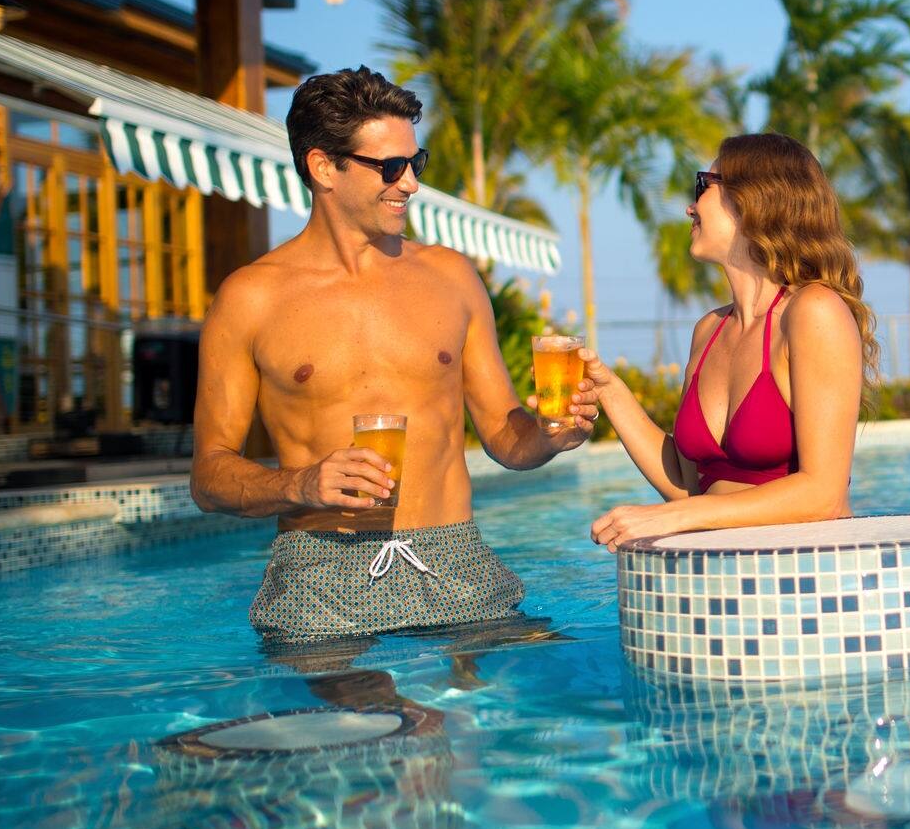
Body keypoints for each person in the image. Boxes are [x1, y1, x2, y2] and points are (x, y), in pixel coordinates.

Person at [190, 67, 601, 642]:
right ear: (323, 167)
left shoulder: (451, 276)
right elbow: (209, 476)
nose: (410, 183)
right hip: (319, 574)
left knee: (555, 696)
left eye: (415, 163)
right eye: (389, 167)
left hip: (455, 559)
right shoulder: (249, 299)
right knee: (370, 724)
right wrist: (301, 484)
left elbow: (507, 440)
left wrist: (551, 434)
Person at [584, 133, 873, 550]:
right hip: (726, 581)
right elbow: (689, 487)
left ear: (753, 198)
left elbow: (824, 495)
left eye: (703, 184)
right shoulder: (709, 330)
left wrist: (675, 518)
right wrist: (608, 391)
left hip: (805, 580)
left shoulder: (812, 312)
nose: (690, 206)